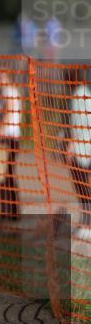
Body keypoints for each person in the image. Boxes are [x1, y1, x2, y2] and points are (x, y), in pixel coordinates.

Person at [0, 70, 22, 224]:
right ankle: (7, 213)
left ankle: (11, 214)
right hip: (5, 138)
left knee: (5, 177)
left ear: (8, 77)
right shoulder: (3, 93)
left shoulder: (9, 92)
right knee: (3, 176)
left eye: (0, 76)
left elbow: (8, 115)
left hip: (9, 139)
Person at [65, 68, 91, 241]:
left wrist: (71, 147)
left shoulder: (78, 97)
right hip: (86, 148)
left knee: (82, 189)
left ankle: (87, 225)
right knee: (84, 188)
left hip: (82, 151)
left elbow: (78, 125)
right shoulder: (86, 93)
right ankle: (85, 223)